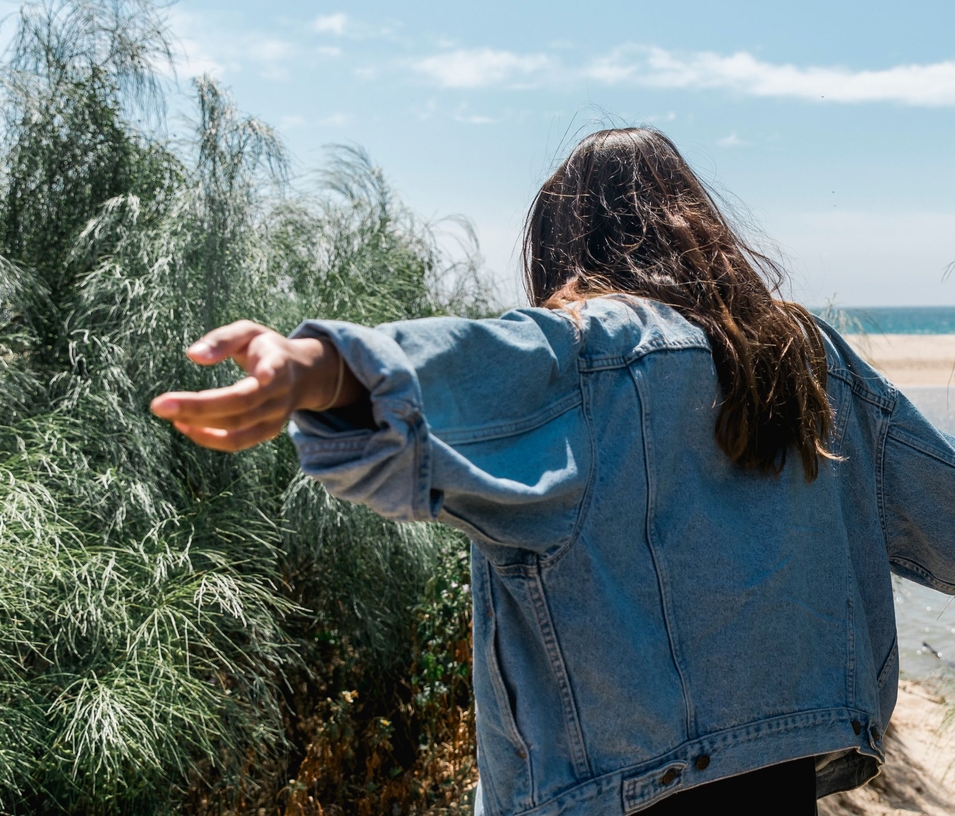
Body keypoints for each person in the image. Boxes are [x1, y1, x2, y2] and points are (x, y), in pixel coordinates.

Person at [149, 128, 955, 815]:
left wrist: (314, 370)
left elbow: (462, 375)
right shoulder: (806, 362)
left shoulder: (586, 353)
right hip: (780, 781)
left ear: (562, 245)